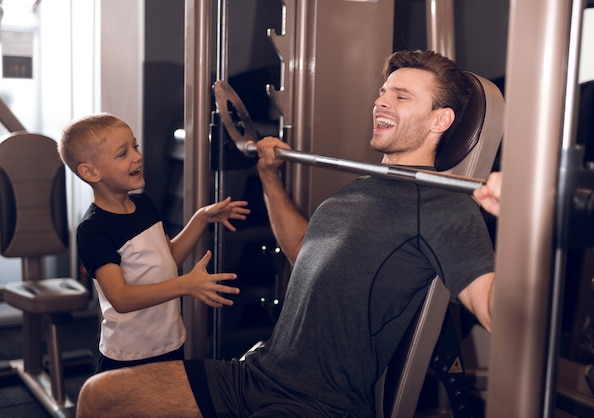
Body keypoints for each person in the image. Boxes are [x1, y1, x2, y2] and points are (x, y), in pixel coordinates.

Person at [75, 50, 495, 417]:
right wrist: (270, 179)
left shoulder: (444, 207)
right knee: (99, 395)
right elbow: (302, 253)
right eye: (383, 92)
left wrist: (525, 224)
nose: (381, 102)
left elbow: (493, 309)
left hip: (317, 402)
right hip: (259, 373)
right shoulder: (362, 187)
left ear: (441, 119)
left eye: (400, 96)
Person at [58, 113, 250, 373]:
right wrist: (185, 285)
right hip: (128, 355)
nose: (137, 156)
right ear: (90, 172)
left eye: (134, 146)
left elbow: (166, 258)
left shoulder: (144, 204)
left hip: (169, 343)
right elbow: (121, 298)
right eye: (122, 153)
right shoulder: (94, 229)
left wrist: (201, 218)